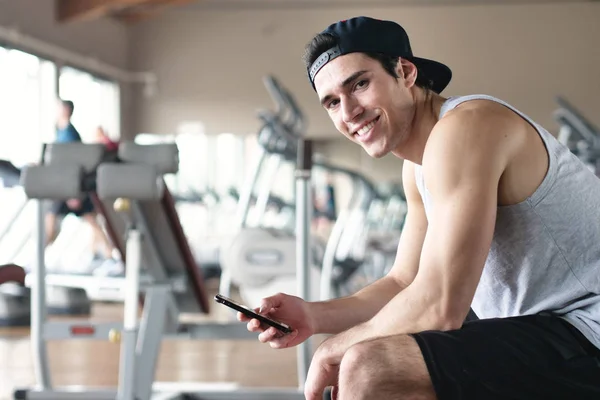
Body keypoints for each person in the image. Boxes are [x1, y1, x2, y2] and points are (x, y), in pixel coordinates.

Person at [238, 16, 600, 400]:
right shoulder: (418, 166)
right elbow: (404, 282)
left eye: (359, 84)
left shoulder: (469, 125)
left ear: (405, 72)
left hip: (586, 330)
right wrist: (314, 316)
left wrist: (334, 348)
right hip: (553, 334)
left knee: (370, 365)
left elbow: (440, 305)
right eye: (331, 102)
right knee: (370, 357)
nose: (348, 112)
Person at [46, 99, 116, 264]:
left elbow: (74, 164)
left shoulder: (70, 134)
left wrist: (73, 192)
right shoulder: (60, 131)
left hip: (68, 188)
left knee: (88, 220)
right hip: (62, 186)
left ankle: (108, 254)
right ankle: (107, 253)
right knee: (87, 220)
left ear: (66, 111)